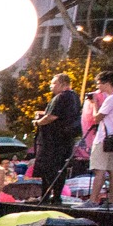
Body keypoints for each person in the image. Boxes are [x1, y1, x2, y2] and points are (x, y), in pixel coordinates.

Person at [32, 72, 82, 201]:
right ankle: (56, 196)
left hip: (52, 141)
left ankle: (45, 196)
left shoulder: (61, 97)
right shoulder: (75, 97)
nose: (50, 86)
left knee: (49, 169)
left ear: (63, 84)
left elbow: (52, 117)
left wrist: (38, 122)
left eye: (53, 83)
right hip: (66, 140)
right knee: (60, 169)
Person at [87, 72, 113, 208]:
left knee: (99, 170)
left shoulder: (111, 99)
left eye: (99, 83)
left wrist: (94, 104)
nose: (97, 86)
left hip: (104, 138)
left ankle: (93, 200)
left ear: (106, 83)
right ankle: (111, 201)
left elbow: (97, 118)